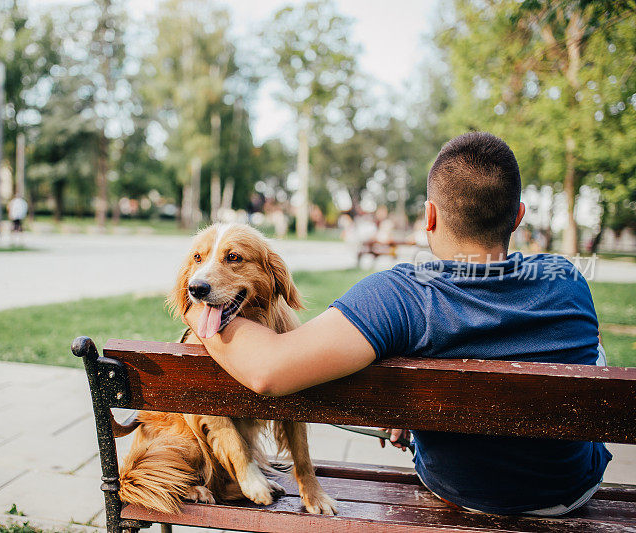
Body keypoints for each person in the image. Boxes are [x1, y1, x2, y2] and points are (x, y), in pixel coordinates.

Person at [183, 132, 610, 516]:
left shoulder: (399, 295)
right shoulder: (568, 278)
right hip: (568, 494)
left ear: (429, 216)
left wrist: (195, 304)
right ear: (517, 216)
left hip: (458, 491)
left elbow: (268, 370)